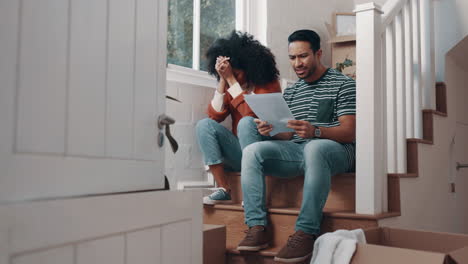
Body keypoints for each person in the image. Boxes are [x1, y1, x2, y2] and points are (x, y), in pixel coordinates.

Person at [236, 29, 356, 263]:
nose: (297, 63)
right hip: (298, 151)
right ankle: (257, 226)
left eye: (303, 56)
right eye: (292, 58)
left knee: (315, 147)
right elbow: (289, 136)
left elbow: (350, 132)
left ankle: (305, 231)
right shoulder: (292, 91)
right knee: (251, 151)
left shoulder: (343, 84)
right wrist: (271, 130)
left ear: (318, 53)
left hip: (335, 150)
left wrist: (316, 131)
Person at [196, 31, 282, 205]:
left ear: (249, 68)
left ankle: (253, 193)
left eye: (236, 73)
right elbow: (214, 116)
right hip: (241, 154)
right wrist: (223, 81)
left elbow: (250, 115)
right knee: (204, 125)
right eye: (229, 73)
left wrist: (230, 79)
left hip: (265, 154)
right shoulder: (229, 83)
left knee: (246, 123)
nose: (232, 77)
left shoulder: (268, 83)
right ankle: (223, 188)